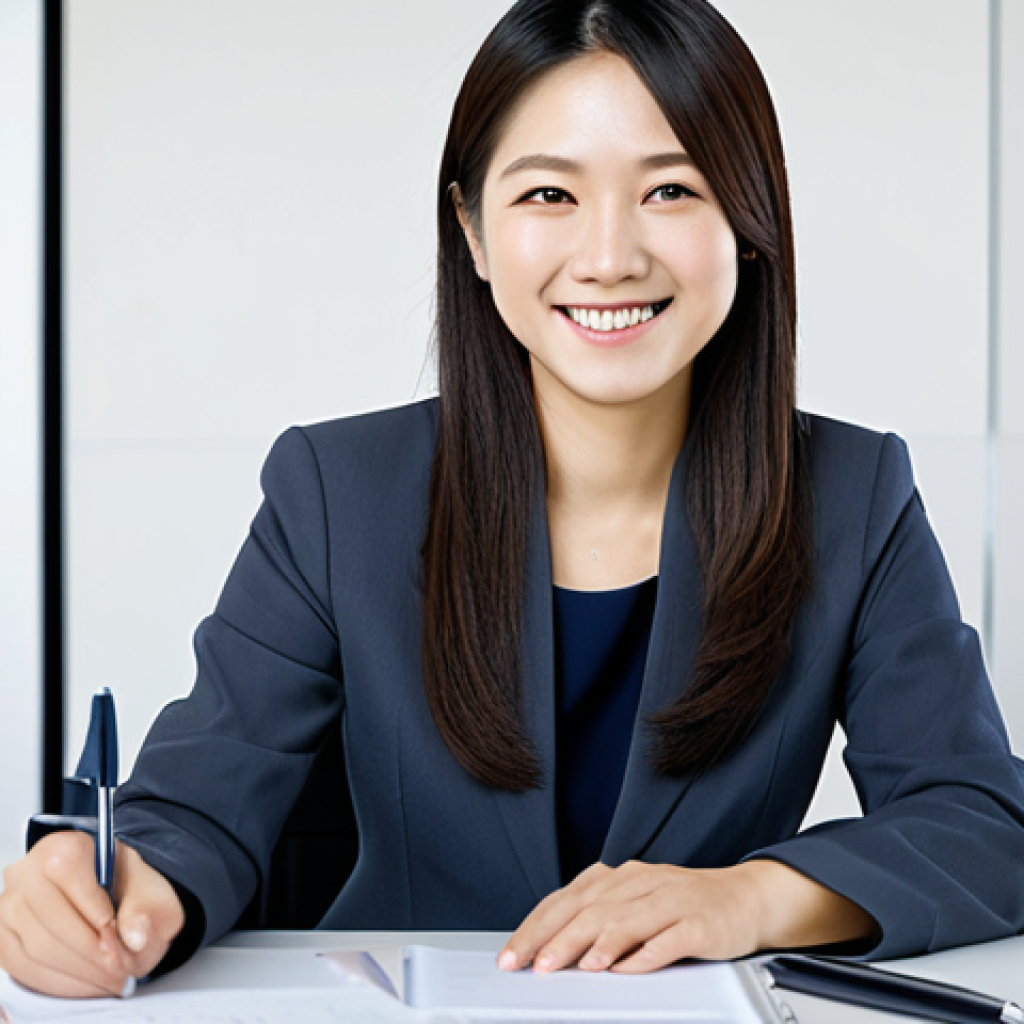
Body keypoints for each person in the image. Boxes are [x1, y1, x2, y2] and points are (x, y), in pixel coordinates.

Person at [3, 0, 1024, 1000]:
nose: (611, 254)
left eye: (672, 190)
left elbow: (984, 824)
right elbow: (194, 803)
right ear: (473, 230)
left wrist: (746, 897)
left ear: (748, 225)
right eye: (549, 195)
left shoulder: (854, 496)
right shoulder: (333, 491)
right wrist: (122, 888)